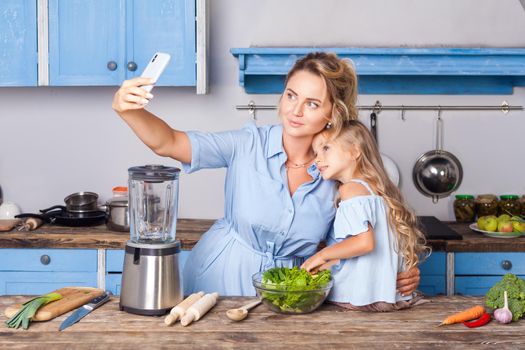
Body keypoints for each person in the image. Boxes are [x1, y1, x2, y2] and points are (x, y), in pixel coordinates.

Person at [112, 52, 421, 296]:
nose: (295, 111)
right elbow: (170, 142)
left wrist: (398, 270)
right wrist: (129, 110)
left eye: (312, 103)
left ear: (334, 114)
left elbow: (359, 241)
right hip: (215, 280)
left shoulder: (339, 175)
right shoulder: (247, 144)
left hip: (288, 291)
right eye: (291, 95)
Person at [301, 120, 430, 311]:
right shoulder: (378, 191)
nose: (317, 159)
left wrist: (321, 256)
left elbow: (364, 243)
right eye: (316, 153)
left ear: (354, 151)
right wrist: (324, 267)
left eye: (326, 148)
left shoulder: (350, 190)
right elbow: (362, 258)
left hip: (361, 297)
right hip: (390, 296)